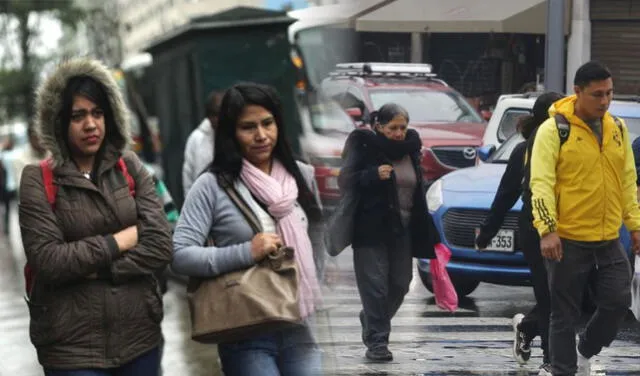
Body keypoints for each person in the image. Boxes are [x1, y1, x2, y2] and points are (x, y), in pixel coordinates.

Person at [18, 58, 173, 375]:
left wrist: (96, 270)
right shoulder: (37, 179)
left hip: (139, 339)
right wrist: (121, 240)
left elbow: (160, 245)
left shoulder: (130, 167)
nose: (91, 124)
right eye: (78, 116)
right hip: (71, 350)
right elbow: (49, 260)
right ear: (59, 121)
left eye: (98, 113)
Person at [172, 82, 325, 376]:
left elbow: (317, 235)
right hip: (245, 330)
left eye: (268, 123)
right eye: (248, 127)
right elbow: (180, 254)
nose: (261, 135)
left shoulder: (300, 175)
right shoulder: (212, 186)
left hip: (302, 324)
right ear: (230, 132)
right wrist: (246, 252)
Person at [530, 61, 640, 376]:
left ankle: (584, 350)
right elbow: (541, 183)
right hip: (567, 239)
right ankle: (562, 370)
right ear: (578, 92)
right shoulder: (554, 131)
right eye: (597, 95)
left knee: (617, 303)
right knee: (564, 313)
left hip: (607, 238)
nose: (605, 101)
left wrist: (635, 225)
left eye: (609, 93)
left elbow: (627, 180)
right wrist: (547, 230)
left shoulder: (617, 128)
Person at [338, 103, 439, 362]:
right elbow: (345, 180)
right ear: (378, 127)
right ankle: (378, 343)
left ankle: (370, 318)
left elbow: (417, 190)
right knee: (375, 288)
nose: (398, 133)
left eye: (402, 127)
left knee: (400, 284)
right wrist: (372, 174)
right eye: (392, 128)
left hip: (402, 230)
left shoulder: (412, 151)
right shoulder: (364, 147)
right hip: (369, 229)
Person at [476, 92, 564, 376]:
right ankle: (552, 360)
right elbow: (505, 196)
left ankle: (527, 327)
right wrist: (487, 233)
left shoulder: (573, 145)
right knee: (550, 297)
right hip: (535, 232)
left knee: (566, 296)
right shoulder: (524, 151)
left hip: (572, 231)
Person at [182, 91, 223, 196]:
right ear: (208, 116)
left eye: (222, 113)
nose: (219, 119)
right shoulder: (196, 138)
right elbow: (188, 177)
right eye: (214, 114)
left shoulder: (237, 136)